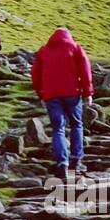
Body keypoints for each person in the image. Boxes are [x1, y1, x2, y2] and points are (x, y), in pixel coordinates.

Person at [31, 26, 94, 179]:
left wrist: (40, 94)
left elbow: (35, 73)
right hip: (72, 93)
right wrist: (88, 92)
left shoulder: (44, 51)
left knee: (58, 129)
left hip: (51, 95)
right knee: (76, 124)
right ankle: (76, 159)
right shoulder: (75, 48)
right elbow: (85, 70)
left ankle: (62, 163)